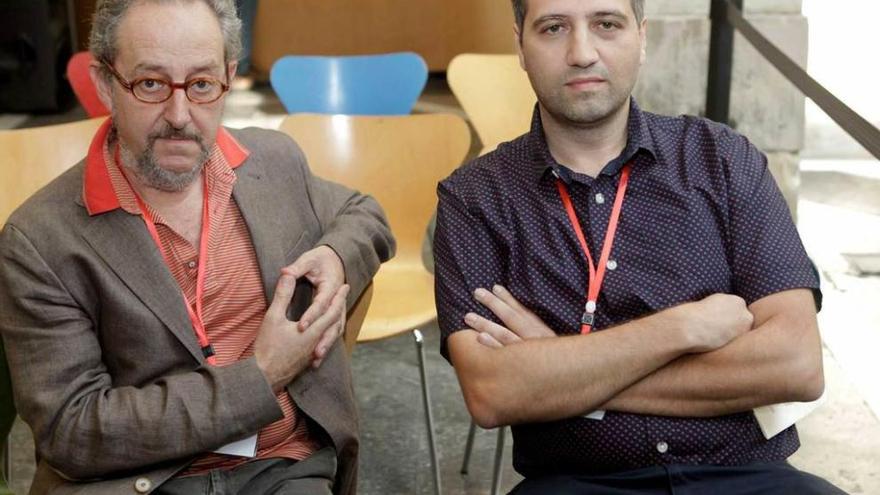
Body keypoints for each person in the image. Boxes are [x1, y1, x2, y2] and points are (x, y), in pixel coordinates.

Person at [433, 0, 845, 493]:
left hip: (747, 477)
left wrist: (564, 369)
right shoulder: (476, 197)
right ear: (520, 44)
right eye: (553, 28)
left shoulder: (723, 160)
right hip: (576, 483)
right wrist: (682, 327)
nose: (582, 52)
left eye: (606, 24)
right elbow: (493, 392)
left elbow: (796, 365)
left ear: (642, 37)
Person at [0, 1, 393, 494]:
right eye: (150, 84)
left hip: (285, 466)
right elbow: (73, 431)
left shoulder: (271, 161)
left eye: (202, 85)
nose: (180, 115)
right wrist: (261, 376)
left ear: (228, 78)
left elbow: (365, 214)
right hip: (143, 481)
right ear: (105, 84)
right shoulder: (39, 239)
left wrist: (335, 256)